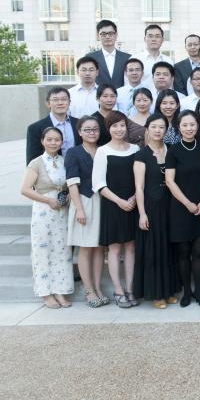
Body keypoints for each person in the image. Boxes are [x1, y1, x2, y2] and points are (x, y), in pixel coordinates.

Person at [20, 127, 73, 309]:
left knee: (62, 250)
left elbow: (68, 185)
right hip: (43, 210)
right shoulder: (36, 163)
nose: (53, 143)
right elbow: (25, 189)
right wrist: (48, 200)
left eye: (57, 140)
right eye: (49, 139)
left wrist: (65, 197)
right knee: (42, 250)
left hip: (61, 211)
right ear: (42, 141)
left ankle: (60, 289)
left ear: (61, 142)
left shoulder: (64, 161)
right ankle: (46, 292)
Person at [92, 111, 140, 308]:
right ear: (108, 129)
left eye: (122, 125)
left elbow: (141, 178)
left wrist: (135, 198)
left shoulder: (135, 148)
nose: (119, 129)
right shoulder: (103, 151)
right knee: (114, 248)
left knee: (130, 247)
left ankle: (130, 288)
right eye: (114, 126)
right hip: (113, 205)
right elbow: (98, 184)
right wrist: (120, 201)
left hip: (134, 203)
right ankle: (118, 291)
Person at [132, 114, 179, 308]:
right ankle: (156, 294)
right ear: (148, 129)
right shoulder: (141, 155)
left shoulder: (170, 151)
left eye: (162, 127)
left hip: (169, 205)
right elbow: (139, 187)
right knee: (153, 250)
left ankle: (168, 291)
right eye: (154, 127)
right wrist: (142, 213)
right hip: (151, 207)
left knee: (168, 249)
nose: (158, 130)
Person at [165, 110, 200, 307]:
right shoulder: (173, 150)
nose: (189, 128)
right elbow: (170, 181)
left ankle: (199, 293)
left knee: (199, 251)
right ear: (179, 127)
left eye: (192, 124)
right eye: (185, 125)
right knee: (183, 251)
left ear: (197, 126)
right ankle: (186, 293)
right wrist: (187, 203)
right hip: (180, 207)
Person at [65, 116, 108, 308]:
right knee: (85, 248)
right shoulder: (73, 153)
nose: (92, 133)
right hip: (84, 201)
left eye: (95, 129)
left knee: (99, 247)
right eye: (88, 129)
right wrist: (79, 210)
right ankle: (88, 290)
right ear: (80, 131)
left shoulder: (103, 150)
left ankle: (98, 287)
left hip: (103, 201)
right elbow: (72, 183)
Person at [26, 87, 79, 164]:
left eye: (64, 99)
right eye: (55, 100)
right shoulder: (35, 128)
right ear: (48, 103)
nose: (60, 103)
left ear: (69, 102)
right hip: (50, 172)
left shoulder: (78, 123)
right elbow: (32, 161)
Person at [87, 19, 131, 88]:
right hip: (98, 97)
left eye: (110, 33)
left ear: (116, 35)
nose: (107, 37)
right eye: (103, 34)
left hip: (122, 97)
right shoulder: (90, 58)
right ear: (98, 36)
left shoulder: (127, 58)